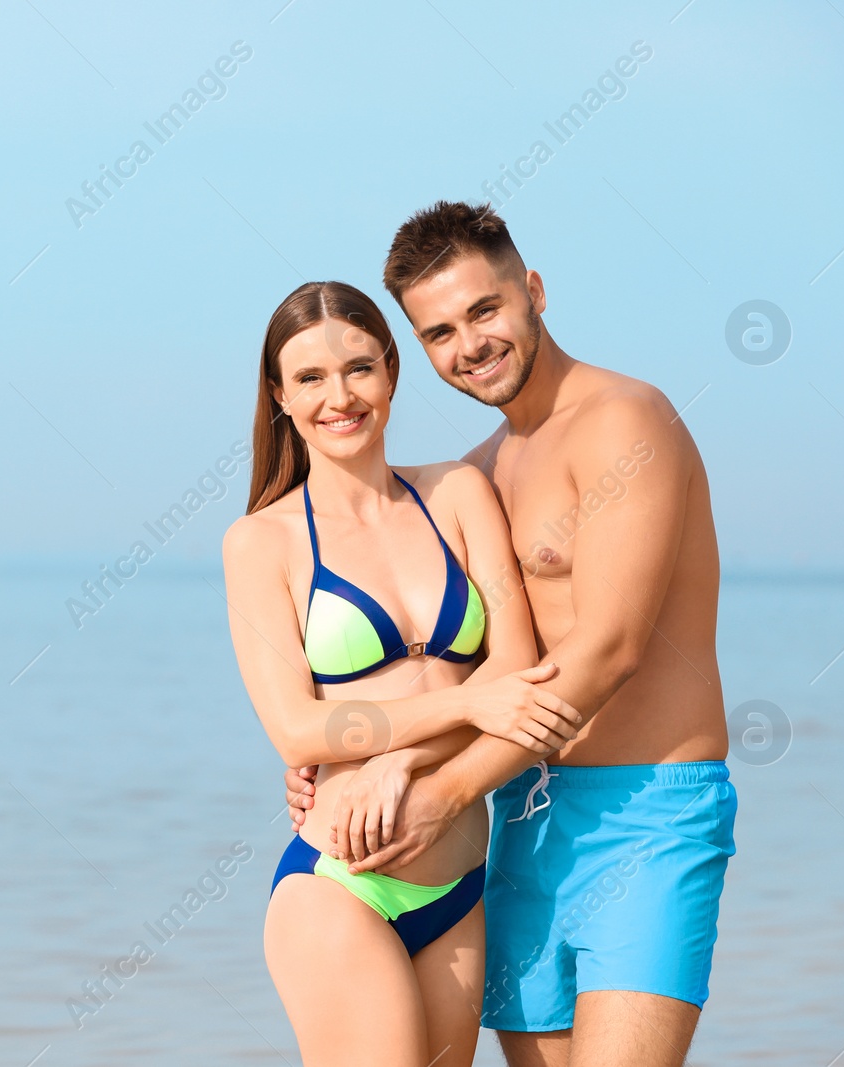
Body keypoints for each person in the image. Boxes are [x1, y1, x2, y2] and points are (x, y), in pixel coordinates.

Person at [285, 202, 736, 1067]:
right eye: (440, 331)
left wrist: (440, 788)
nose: (470, 344)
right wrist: (349, 757)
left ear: (532, 291)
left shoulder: (625, 421)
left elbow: (608, 650)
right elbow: (456, 667)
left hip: (647, 810)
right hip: (522, 816)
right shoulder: (482, 471)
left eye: (485, 311)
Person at [222, 280, 584, 1067]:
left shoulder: (457, 492)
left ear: (391, 372)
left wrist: (399, 758)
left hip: (456, 888)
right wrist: (467, 704)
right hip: (338, 880)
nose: (340, 395)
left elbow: (518, 669)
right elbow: (297, 727)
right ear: (279, 397)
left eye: (359, 367)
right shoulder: (261, 543)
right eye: (311, 377)